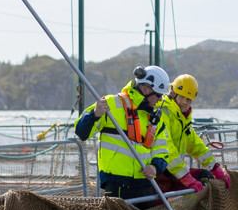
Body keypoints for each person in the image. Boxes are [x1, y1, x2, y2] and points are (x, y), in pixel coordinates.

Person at [74, 65, 202, 202]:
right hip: (117, 185)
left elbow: (162, 151)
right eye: (158, 95)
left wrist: (155, 167)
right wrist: (94, 115)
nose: (160, 100)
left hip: (145, 184)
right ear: (146, 89)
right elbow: (81, 132)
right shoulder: (110, 104)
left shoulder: (155, 118)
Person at [161, 74, 232, 189]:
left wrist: (215, 168)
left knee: (205, 176)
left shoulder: (183, 118)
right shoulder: (163, 112)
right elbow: (167, 148)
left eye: (188, 99)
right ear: (173, 94)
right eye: (182, 97)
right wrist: (186, 177)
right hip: (159, 175)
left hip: (173, 173)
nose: (184, 102)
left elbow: (194, 144)